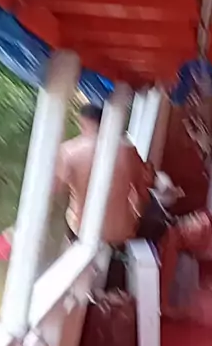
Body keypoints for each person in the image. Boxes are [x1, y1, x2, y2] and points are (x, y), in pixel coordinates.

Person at [54, 103, 152, 245]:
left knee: (69, 213)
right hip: (121, 232)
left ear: (83, 122)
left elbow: (55, 189)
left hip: (83, 230)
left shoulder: (68, 151)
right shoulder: (128, 150)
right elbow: (143, 195)